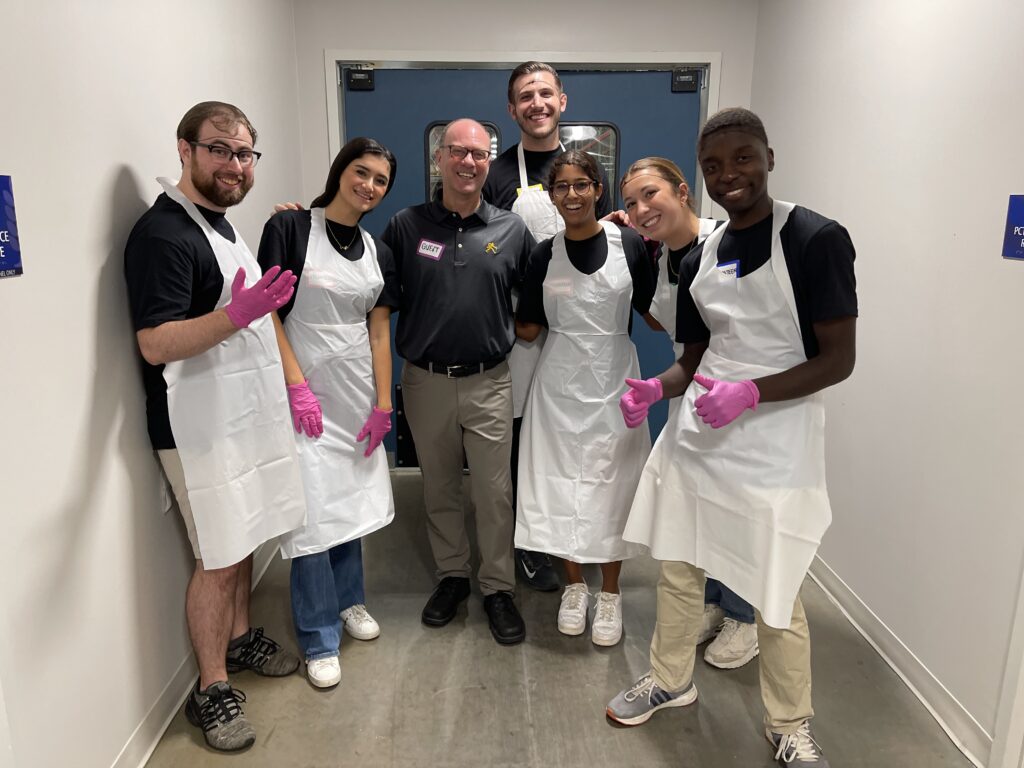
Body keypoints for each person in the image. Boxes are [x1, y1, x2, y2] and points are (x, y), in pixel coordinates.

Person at [607, 108, 857, 768]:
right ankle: (669, 679)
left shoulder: (814, 238)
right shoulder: (704, 255)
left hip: (776, 433)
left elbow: (838, 360)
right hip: (703, 434)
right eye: (715, 166)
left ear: (768, 156)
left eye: (742, 158)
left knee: (775, 584)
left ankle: (790, 723)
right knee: (682, 566)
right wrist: (657, 388)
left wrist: (752, 392)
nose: (729, 176)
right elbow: (693, 357)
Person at [124, 101, 304, 752]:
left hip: (238, 416)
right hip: (191, 428)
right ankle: (212, 687)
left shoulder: (222, 226)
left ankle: (239, 637)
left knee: (245, 532)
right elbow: (156, 342)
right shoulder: (164, 235)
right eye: (220, 149)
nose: (234, 164)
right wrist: (240, 312)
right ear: (185, 149)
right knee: (218, 558)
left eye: (245, 153)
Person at [381, 118, 536, 645]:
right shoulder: (406, 226)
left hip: (490, 380)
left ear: (488, 161)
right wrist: (301, 219)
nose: (468, 162)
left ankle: (497, 587)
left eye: (478, 153)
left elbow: (544, 285)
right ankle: (452, 576)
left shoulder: (511, 229)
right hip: (424, 382)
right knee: (440, 487)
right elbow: (371, 289)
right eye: (458, 152)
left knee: (494, 493)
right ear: (440, 158)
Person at [256, 137, 398, 688]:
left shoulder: (377, 248)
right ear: (340, 171)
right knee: (313, 514)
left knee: (351, 503)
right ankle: (317, 634)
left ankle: (349, 602)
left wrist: (384, 404)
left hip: (356, 392)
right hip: (307, 392)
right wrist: (295, 386)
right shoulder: (290, 230)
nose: (368, 186)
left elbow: (380, 329)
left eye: (380, 180)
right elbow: (268, 312)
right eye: (361, 172)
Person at [618, 156, 758, 670]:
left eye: (651, 195)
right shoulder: (665, 258)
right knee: (700, 507)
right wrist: (638, 245)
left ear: (682, 191)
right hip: (693, 390)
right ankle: (717, 602)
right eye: (631, 202)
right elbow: (666, 324)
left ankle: (745, 615)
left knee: (736, 512)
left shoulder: (729, 243)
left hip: (743, 399)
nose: (640, 208)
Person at [515, 150, 655, 646]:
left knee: (611, 483)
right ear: (550, 197)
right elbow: (528, 326)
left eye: (582, 184)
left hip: (615, 378)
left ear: (599, 189)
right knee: (558, 483)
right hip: (557, 384)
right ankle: (574, 587)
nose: (571, 194)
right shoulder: (541, 253)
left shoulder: (630, 245)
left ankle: (611, 593)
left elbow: (655, 311)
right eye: (561, 187)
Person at [482, 62, 613, 593]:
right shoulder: (493, 176)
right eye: (524, 97)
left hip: (576, 329)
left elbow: (609, 235)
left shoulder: (583, 167)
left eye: (544, 93)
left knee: (572, 436)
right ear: (512, 110)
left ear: (563, 101)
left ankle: (576, 536)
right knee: (519, 440)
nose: (536, 103)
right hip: (520, 327)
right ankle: (529, 544)